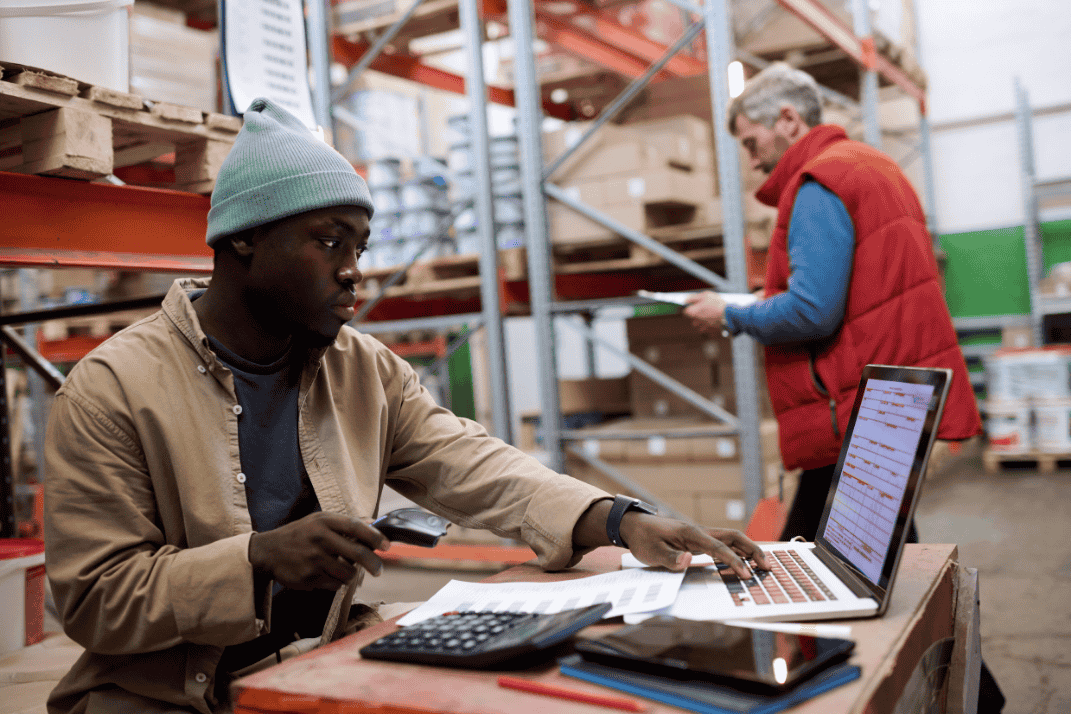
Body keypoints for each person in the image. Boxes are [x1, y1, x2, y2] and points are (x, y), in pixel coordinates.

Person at [42, 98, 767, 714]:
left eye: (358, 243)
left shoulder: (362, 370)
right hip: (165, 695)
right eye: (328, 241)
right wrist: (258, 560)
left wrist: (618, 518)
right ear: (243, 241)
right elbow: (96, 601)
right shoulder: (113, 389)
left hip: (313, 665)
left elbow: (475, 466)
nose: (353, 268)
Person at [683, 64, 1004, 711]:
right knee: (876, 580)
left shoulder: (817, 180)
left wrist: (733, 312)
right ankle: (971, 696)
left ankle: (883, 698)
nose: (750, 161)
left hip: (849, 416)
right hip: (878, 413)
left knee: (814, 583)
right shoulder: (869, 165)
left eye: (750, 142)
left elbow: (811, 310)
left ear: (787, 121)